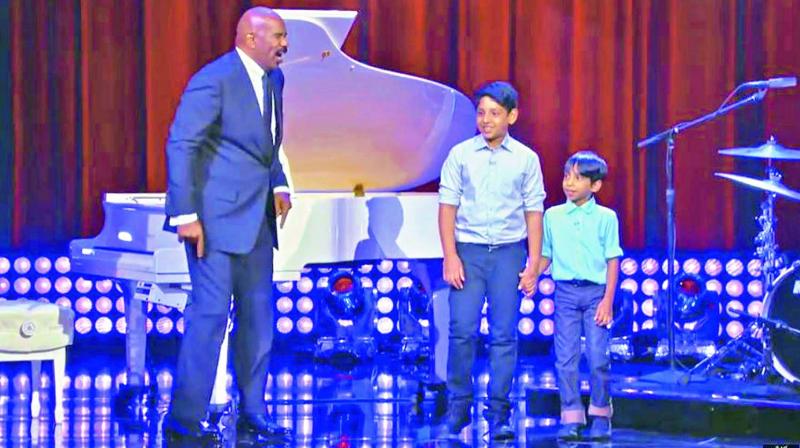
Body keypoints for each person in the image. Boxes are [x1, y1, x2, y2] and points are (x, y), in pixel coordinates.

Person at [163, 6, 294, 446]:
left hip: (257, 221)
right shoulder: (213, 79)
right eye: (277, 36)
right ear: (250, 38)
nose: (284, 44)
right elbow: (182, 144)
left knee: (258, 320)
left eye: (284, 36)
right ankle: (185, 420)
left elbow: (268, 146)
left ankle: (253, 411)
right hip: (213, 224)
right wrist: (185, 214)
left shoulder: (274, 80)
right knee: (210, 318)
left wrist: (279, 184)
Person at [438, 81, 545, 441]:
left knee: (503, 335)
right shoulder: (460, 155)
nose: (486, 119)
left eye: (494, 113)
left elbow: (534, 212)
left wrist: (533, 263)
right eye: (481, 112)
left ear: (512, 116)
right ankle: (458, 407)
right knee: (461, 331)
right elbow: (447, 208)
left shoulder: (526, 159)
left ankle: (498, 412)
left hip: (508, 253)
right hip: (467, 252)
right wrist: (450, 256)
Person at [539, 150, 622, 441]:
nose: (569, 183)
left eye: (577, 178)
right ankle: (571, 416)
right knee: (565, 358)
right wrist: (528, 275)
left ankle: (601, 414)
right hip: (565, 294)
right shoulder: (553, 216)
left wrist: (608, 301)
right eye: (566, 176)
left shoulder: (606, 217)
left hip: (596, 293)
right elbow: (545, 255)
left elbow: (613, 260)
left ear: (595, 185)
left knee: (598, 356)